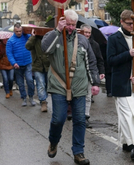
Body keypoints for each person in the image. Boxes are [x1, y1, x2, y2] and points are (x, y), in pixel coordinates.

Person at [41, 9, 100, 165]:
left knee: (80, 120)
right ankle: (53, 142)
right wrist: (58, 31)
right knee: (58, 119)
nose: (71, 27)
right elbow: (45, 49)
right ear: (62, 22)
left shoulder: (82, 40)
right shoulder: (53, 36)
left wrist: (94, 82)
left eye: (73, 25)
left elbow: (91, 63)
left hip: (79, 85)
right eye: (68, 24)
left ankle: (78, 152)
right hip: (58, 85)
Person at [107, 9, 134, 160]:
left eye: (133, 23)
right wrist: (128, 54)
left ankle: (125, 141)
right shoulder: (113, 39)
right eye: (129, 24)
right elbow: (111, 60)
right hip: (121, 83)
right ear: (122, 22)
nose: (132, 26)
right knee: (129, 114)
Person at [80, 24, 105, 128]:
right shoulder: (76, 43)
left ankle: (86, 117)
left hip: (90, 73)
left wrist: (101, 71)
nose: (87, 34)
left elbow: (99, 59)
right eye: (85, 32)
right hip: (78, 74)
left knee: (88, 96)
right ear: (81, 32)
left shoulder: (95, 45)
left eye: (89, 33)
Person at [6, 23, 35, 107]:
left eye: (20, 31)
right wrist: (14, 63)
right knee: (20, 83)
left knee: (30, 80)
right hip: (17, 65)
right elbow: (9, 53)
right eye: (17, 31)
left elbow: (33, 41)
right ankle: (24, 98)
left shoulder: (27, 36)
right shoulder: (10, 41)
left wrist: (32, 36)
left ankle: (31, 97)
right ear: (14, 31)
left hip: (28, 62)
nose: (19, 33)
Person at [25, 29, 50, 112]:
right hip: (37, 65)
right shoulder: (34, 39)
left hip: (48, 65)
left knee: (47, 84)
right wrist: (33, 37)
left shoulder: (49, 38)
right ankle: (43, 102)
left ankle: (44, 98)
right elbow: (27, 46)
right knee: (40, 84)